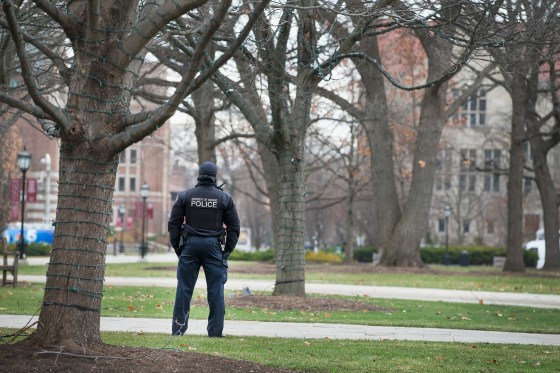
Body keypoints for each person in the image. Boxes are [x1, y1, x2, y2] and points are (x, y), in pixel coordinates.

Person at [169, 161, 240, 337]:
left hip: (190, 246)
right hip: (214, 247)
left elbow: (174, 224)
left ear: (199, 175)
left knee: (184, 289)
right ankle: (215, 333)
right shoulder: (224, 198)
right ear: (215, 177)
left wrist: (178, 248)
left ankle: (178, 330)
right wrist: (227, 252)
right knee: (216, 290)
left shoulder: (185, 196)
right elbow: (234, 227)